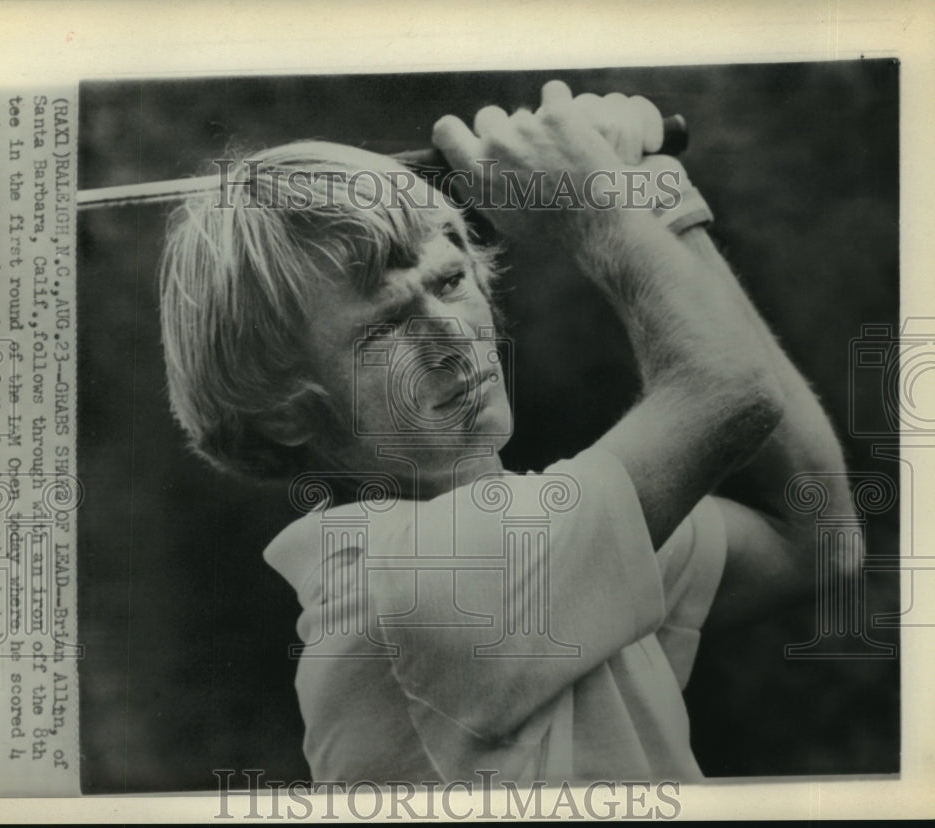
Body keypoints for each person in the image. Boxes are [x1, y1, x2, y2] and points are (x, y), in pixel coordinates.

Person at [157, 81, 853, 784]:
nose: (453, 339)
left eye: (450, 281)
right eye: (387, 325)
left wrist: (652, 195)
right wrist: (597, 204)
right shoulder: (417, 582)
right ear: (284, 411)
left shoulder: (536, 545)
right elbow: (728, 387)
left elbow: (818, 539)